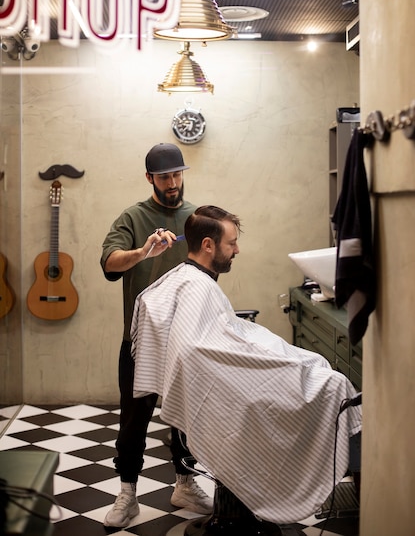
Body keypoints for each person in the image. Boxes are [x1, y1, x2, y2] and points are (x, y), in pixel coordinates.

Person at [130, 205, 362, 526]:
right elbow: (203, 348)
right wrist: (270, 356)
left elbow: (214, 338)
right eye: (231, 243)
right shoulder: (195, 286)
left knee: (315, 364)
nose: (237, 249)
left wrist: (257, 344)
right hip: (225, 387)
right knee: (329, 382)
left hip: (222, 376)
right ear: (208, 245)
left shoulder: (190, 280)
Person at [100, 144, 213, 529]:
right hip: (140, 342)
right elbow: (109, 263)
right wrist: (143, 253)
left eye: (177, 175)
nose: (172, 183)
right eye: (164, 177)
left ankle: (184, 483)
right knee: (134, 421)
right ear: (149, 178)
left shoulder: (195, 218)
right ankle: (128, 493)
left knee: (186, 421)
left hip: (186, 342)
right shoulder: (133, 216)